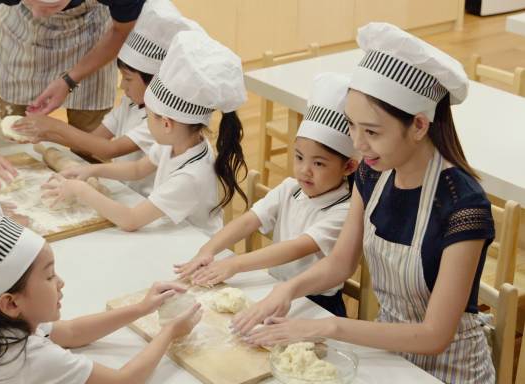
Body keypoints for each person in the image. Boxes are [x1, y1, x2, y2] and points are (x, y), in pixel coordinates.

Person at [234, 23, 496, 383]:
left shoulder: (464, 207)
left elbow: (434, 334)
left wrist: (330, 327)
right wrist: (288, 289)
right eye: (352, 127)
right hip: (387, 353)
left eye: (372, 132)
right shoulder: (373, 175)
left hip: (450, 368)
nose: (358, 145)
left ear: (419, 125)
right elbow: (340, 263)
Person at [0, 187, 202, 384]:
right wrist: (170, 332)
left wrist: (140, 308)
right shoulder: (29, 357)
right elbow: (125, 381)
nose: (61, 281)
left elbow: (71, 332)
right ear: (11, 303)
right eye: (50, 275)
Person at [177, 73, 358, 317]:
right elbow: (248, 220)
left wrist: (235, 263)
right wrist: (208, 250)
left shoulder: (345, 211)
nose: (305, 170)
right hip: (274, 289)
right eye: (299, 157)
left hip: (315, 304)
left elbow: (296, 248)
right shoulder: (290, 188)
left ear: (348, 167)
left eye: (319, 164)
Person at [42, 31, 247, 236]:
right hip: (176, 236)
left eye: (147, 116)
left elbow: (131, 220)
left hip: (195, 248)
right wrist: (91, 171)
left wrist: (80, 190)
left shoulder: (191, 176)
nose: (144, 120)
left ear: (167, 124)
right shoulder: (176, 143)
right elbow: (137, 169)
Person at [0, 0, 146, 189]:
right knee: (16, 141)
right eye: (31, 2)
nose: (38, 14)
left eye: (50, 6)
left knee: (88, 151)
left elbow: (122, 30)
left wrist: (70, 79)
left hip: (93, 31)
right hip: (20, 32)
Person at [12, 0, 201, 196]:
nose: (121, 86)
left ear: (155, 81)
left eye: (128, 79)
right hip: (127, 192)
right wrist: (43, 134)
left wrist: (53, 127)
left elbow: (108, 150)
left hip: (147, 200)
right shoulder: (131, 104)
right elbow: (95, 139)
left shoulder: (162, 121)